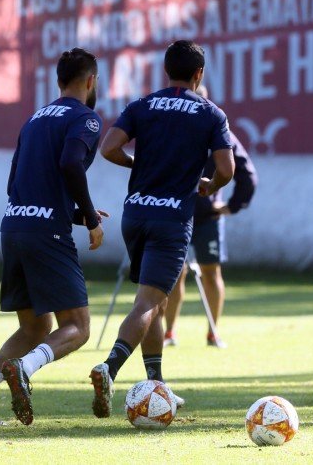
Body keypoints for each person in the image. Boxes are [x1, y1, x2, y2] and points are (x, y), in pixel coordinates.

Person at [0, 48, 106, 426]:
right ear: (91, 81)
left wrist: (71, 213)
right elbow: (70, 163)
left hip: (14, 227)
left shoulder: (34, 119)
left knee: (35, 327)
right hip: (45, 234)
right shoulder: (86, 119)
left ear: (58, 80)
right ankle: (24, 366)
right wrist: (89, 217)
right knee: (78, 327)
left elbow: (15, 184)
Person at [90, 40, 234, 418]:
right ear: (199, 73)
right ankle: (109, 367)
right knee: (148, 302)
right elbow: (227, 169)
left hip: (135, 215)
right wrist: (210, 186)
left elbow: (109, 148)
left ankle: (157, 382)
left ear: (166, 70)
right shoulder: (210, 113)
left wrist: (137, 164)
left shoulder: (142, 105)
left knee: (156, 300)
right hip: (171, 219)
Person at [156, 84, 258, 349]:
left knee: (211, 273)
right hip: (175, 213)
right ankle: (169, 333)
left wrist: (232, 206)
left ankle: (213, 332)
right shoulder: (172, 133)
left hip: (205, 217)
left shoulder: (220, 133)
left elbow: (247, 173)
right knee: (174, 274)